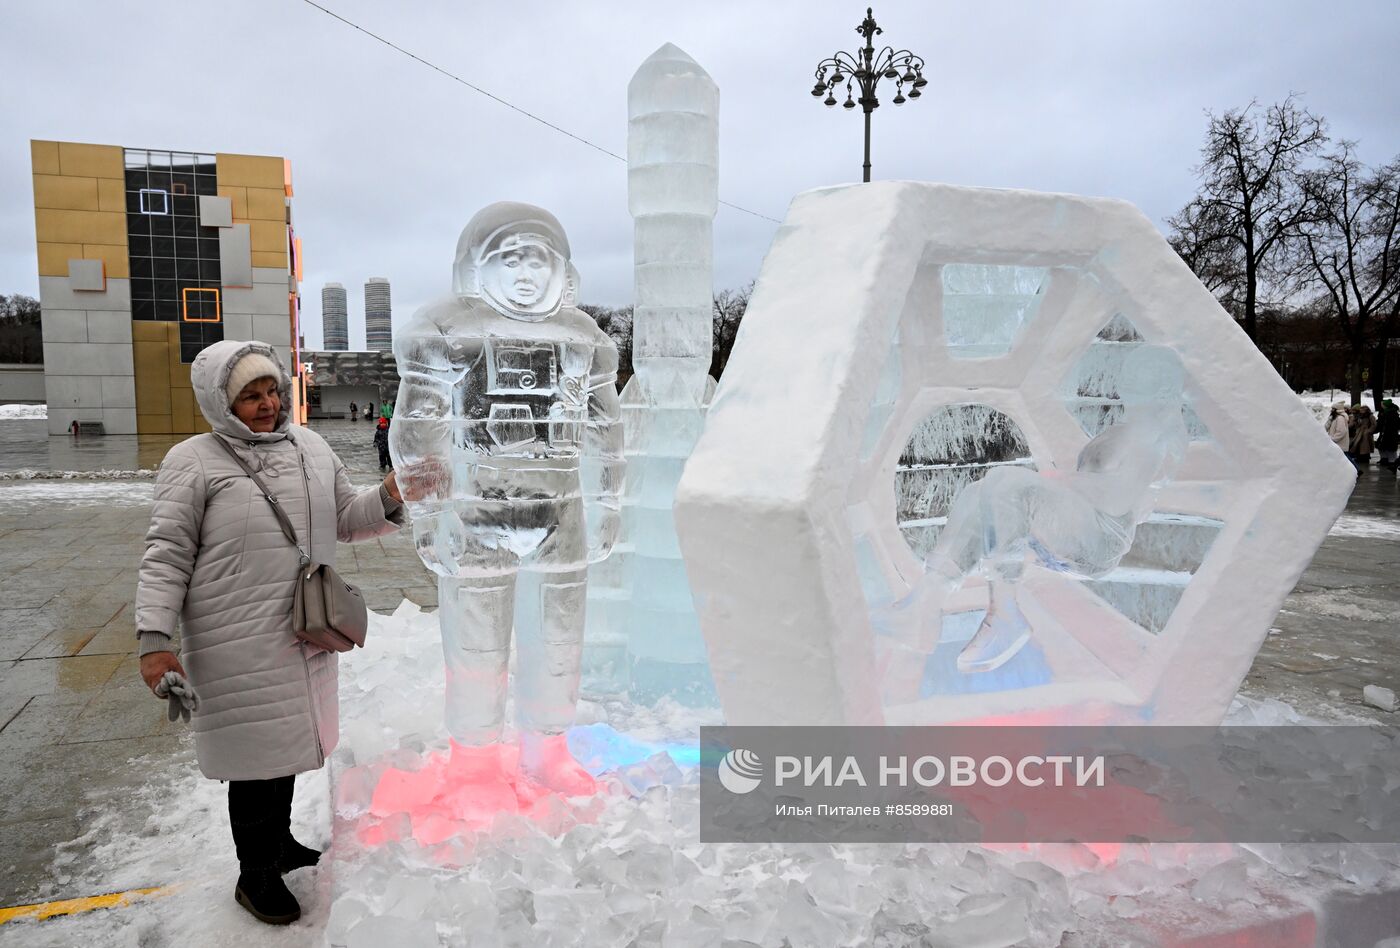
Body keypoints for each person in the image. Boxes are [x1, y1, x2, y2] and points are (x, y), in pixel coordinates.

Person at [135, 341, 404, 926]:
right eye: (250, 396)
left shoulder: (311, 447)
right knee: (254, 757)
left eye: (271, 391)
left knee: (283, 748)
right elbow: (167, 554)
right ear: (220, 401)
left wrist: (387, 498)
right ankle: (254, 874)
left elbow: (344, 519)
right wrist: (155, 640)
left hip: (306, 629)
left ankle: (277, 845)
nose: (266, 404)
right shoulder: (194, 460)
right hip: (236, 639)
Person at [1350, 403, 1377, 469]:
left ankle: (1365, 459)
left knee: (1365, 447)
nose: (1361, 411)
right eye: (1360, 410)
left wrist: (1368, 431)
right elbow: (1357, 424)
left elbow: (1374, 425)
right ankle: (1360, 458)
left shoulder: (1370, 416)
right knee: (1358, 446)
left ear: (1366, 410)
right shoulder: (1360, 416)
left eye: (1362, 410)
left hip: (1366, 434)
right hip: (1359, 433)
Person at [1376, 399, 1399, 473]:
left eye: (1383, 404)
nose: (1381, 405)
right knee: (1382, 446)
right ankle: (1385, 460)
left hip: (1390, 434)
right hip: (1385, 433)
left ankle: (1392, 463)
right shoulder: (1384, 412)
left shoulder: (1392, 413)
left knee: (1391, 449)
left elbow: (1395, 424)